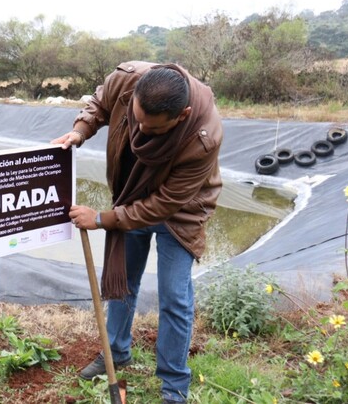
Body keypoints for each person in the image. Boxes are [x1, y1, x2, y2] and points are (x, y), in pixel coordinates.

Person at [52, 61, 223, 403]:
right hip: (130, 194)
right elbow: (99, 104)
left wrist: (102, 219)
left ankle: (174, 385)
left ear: (182, 114)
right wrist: (81, 130)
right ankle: (116, 352)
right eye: (137, 118)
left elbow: (164, 204)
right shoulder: (129, 80)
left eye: (153, 128)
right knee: (123, 281)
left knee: (174, 297)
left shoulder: (203, 138)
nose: (140, 131)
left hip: (180, 212)